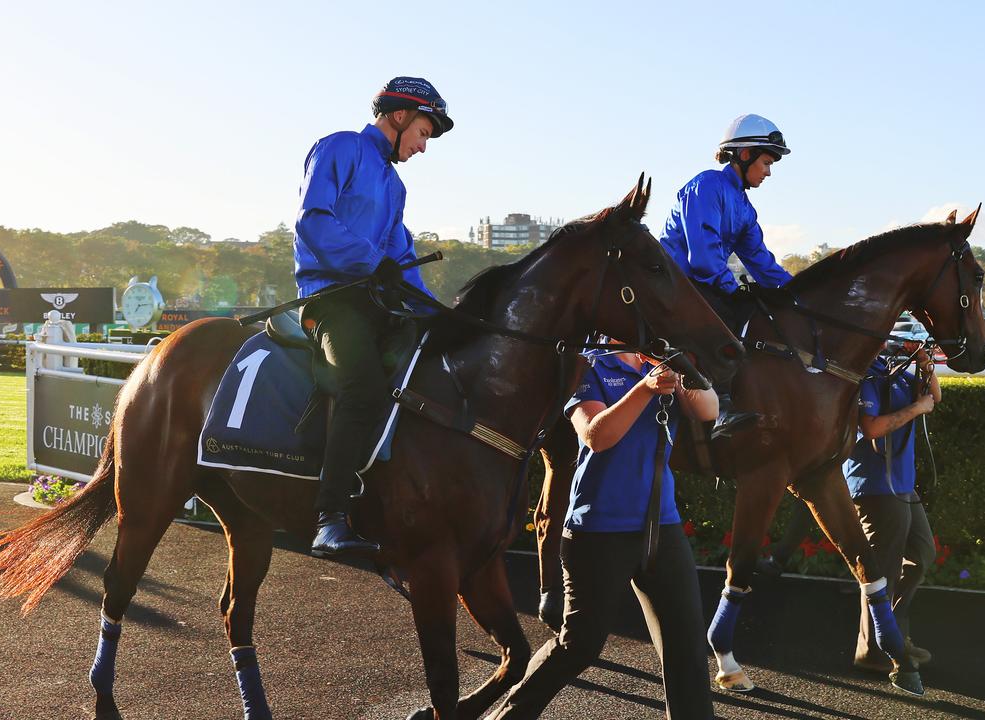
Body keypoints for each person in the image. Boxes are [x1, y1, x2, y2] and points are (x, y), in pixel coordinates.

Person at [488, 346, 719, 719]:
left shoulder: (666, 364)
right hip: (597, 532)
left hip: (663, 529)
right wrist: (644, 389)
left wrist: (684, 369)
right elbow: (596, 436)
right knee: (577, 645)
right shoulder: (590, 366)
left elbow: (709, 410)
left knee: (687, 647)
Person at [293, 76, 453, 557]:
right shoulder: (339, 147)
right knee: (361, 387)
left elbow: (400, 260)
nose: (424, 146)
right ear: (400, 115)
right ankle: (330, 518)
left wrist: (439, 315)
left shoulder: (394, 184)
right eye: (424, 133)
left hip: (376, 301)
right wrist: (368, 261)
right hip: (331, 299)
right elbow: (313, 219)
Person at [659, 114, 794, 438]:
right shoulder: (707, 185)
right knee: (723, 311)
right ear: (744, 154)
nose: (769, 172)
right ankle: (719, 405)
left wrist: (798, 292)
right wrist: (732, 289)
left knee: (762, 314)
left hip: (706, 284)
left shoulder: (745, 209)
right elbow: (703, 258)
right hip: (673, 284)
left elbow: (761, 263)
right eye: (766, 162)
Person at [845, 327, 941, 673]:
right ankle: (872, 649)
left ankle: (893, 635)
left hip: (901, 485)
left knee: (921, 554)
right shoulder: (863, 375)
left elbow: (935, 398)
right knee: (880, 570)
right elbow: (870, 428)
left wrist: (925, 364)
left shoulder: (893, 371)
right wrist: (916, 408)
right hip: (874, 487)